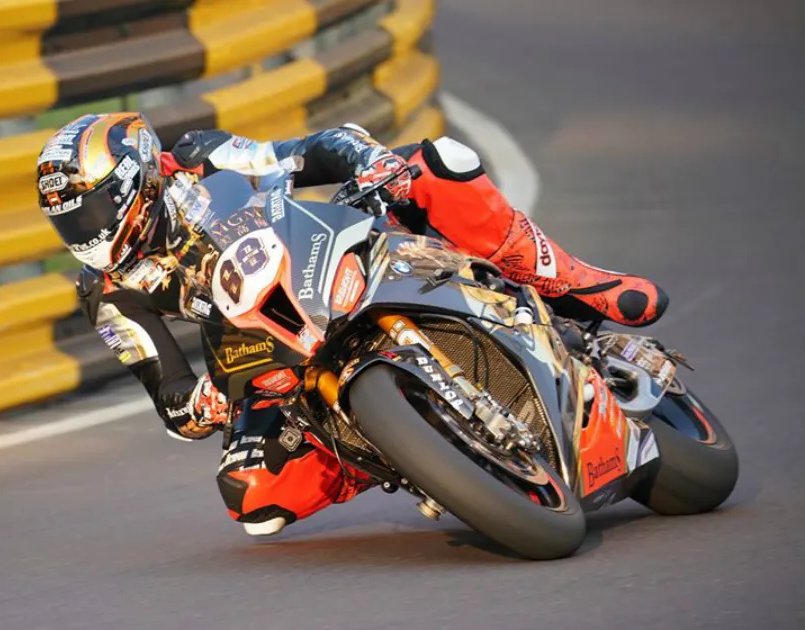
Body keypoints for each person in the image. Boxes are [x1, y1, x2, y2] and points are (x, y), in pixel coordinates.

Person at [36, 113, 668, 536]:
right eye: (69, 222)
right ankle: (389, 450)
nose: (84, 232)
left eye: (89, 208)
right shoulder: (107, 290)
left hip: (327, 253)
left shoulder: (201, 157)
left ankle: (580, 284)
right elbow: (166, 392)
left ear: (134, 178)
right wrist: (200, 404)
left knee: (440, 162)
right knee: (251, 497)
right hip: (261, 351)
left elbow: (303, 153)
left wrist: (367, 161)